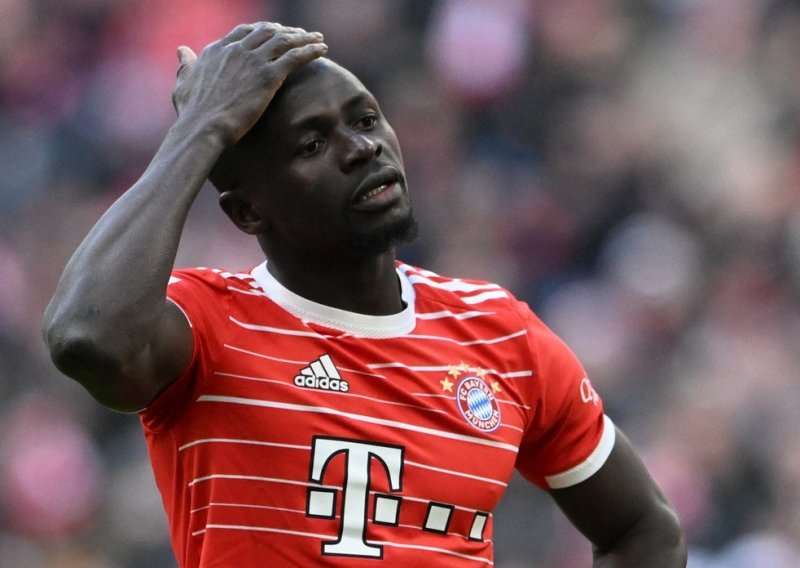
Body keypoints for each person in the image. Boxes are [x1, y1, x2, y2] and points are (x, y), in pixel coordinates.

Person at [43, 22, 686, 567]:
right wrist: (199, 129)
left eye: (367, 119)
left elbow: (643, 529)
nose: (362, 148)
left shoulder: (500, 333)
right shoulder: (208, 324)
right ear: (248, 212)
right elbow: (85, 337)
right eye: (313, 144)